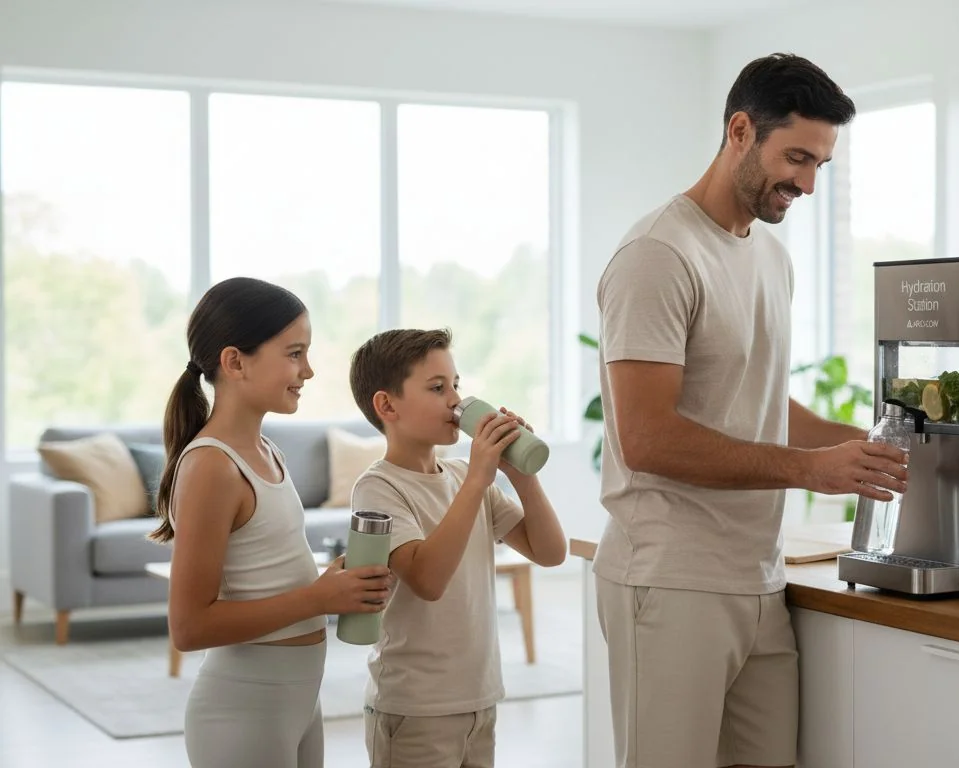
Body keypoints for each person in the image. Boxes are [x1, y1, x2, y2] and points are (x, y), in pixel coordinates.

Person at [593, 52, 910, 768]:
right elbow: (646, 438)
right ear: (740, 130)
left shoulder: (770, 257)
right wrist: (809, 471)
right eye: (796, 156)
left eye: (821, 164)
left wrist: (871, 447)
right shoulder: (658, 255)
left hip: (759, 579)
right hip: (670, 580)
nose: (806, 182)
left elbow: (760, 401)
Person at [149, 276, 395, 768]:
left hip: (298, 701)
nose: (308, 370)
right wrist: (318, 598)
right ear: (235, 361)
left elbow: (266, 576)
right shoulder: (212, 467)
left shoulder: (266, 452)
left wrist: (329, 585)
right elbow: (189, 626)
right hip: (243, 709)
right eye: (294, 353)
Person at [347, 328, 567, 768]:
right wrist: (478, 480)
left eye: (456, 384)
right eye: (436, 387)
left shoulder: (464, 478)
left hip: (478, 697)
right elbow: (428, 579)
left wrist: (521, 476)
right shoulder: (379, 487)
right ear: (387, 405)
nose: (455, 400)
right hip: (415, 708)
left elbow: (550, 552)